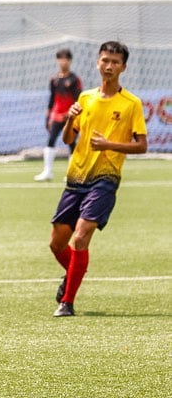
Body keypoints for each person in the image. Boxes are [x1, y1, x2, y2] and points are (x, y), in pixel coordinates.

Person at [48, 41, 147, 317]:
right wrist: (69, 121)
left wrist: (110, 145)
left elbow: (141, 145)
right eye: (105, 60)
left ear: (123, 67)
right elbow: (68, 139)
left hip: (105, 179)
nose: (109, 66)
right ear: (97, 63)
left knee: (81, 237)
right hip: (76, 176)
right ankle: (74, 272)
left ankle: (67, 302)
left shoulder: (131, 104)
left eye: (115, 62)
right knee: (56, 243)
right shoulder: (85, 98)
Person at [35, 48, 83, 182]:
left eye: (65, 59)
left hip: (70, 116)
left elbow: (78, 100)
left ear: (70, 61)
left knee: (72, 143)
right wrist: (48, 116)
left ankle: (72, 173)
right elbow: (52, 99)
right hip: (56, 116)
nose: (63, 62)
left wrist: (70, 114)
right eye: (60, 59)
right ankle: (47, 171)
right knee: (51, 140)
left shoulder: (74, 79)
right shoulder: (54, 79)